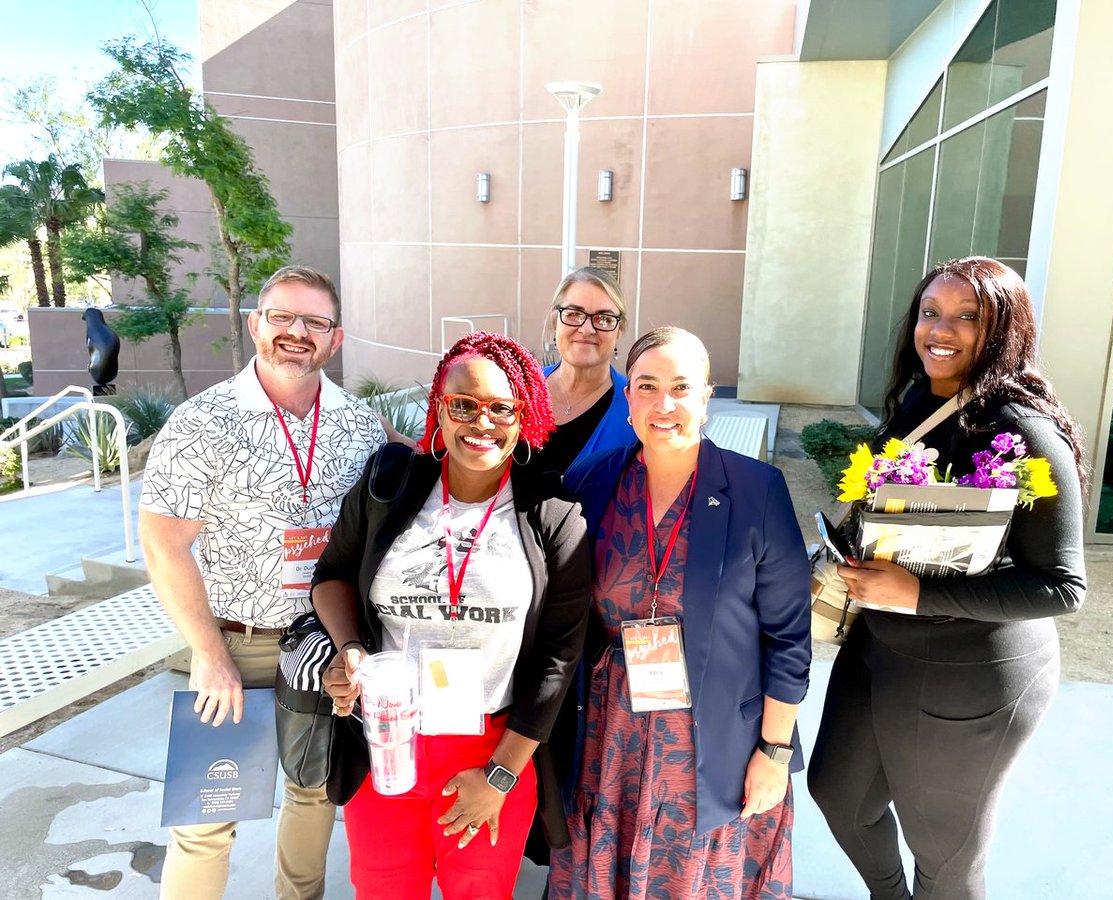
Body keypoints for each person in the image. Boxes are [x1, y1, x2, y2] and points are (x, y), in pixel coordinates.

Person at [807, 257, 1088, 900]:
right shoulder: (919, 401)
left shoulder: (1024, 433)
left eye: (968, 317)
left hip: (972, 675)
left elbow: (1063, 586)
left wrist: (916, 593)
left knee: (944, 856)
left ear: (1004, 329)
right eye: (932, 312)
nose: (943, 329)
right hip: (880, 648)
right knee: (841, 797)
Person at [313, 331, 591, 899]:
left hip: (491, 750)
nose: (480, 422)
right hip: (387, 742)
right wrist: (350, 653)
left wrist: (502, 775)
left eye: (499, 407)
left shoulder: (554, 517)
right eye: (462, 404)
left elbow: (557, 661)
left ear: (524, 416)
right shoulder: (388, 485)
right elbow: (332, 577)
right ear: (440, 409)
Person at [139, 265, 388, 900]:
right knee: (206, 817)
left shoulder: (360, 426)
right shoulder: (204, 422)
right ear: (256, 325)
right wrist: (208, 653)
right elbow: (164, 545)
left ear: (336, 338)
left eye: (314, 321)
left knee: (312, 797)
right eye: (281, 316)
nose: (296, 332)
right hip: (235, 645)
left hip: (322, 647)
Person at [548, 326, 812, 900]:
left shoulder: (756, 489)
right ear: (628, 399)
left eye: (681, 388)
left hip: (716, 738)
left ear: (706, 396)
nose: (663, 405)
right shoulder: (593, 482)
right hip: (609, 730)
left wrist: (775, 750)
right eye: (647, 386)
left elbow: (789, 636)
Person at [537, 266, 636, 479]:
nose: (587, 329)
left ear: (620, 330)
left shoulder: (635, 408)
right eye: (573, 314)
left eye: (604, 319)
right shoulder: (519, 389)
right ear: (556, 321)